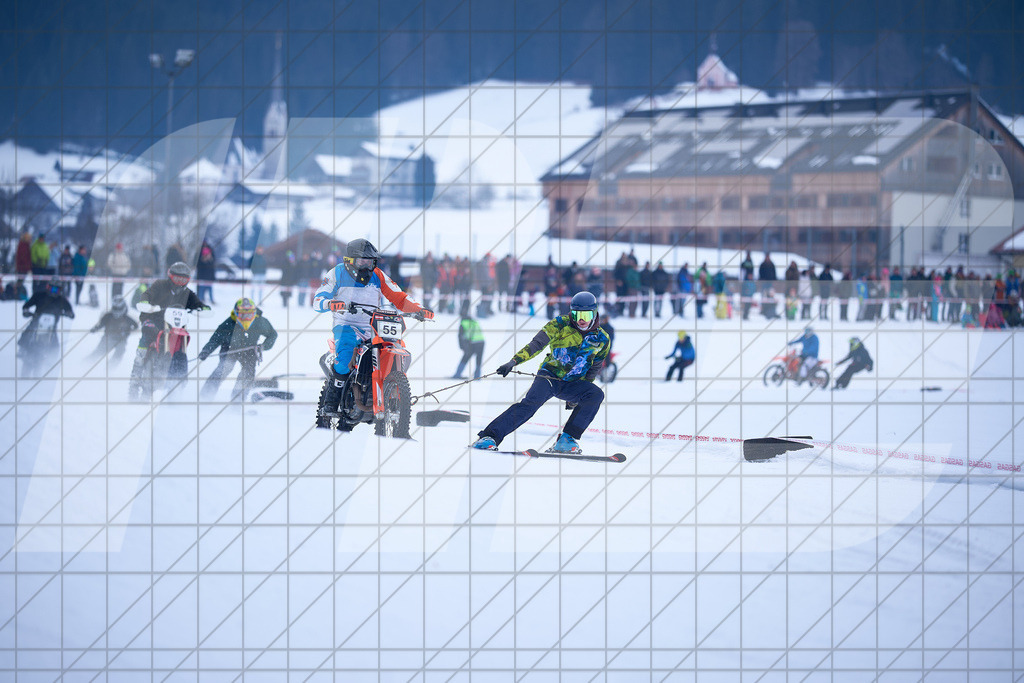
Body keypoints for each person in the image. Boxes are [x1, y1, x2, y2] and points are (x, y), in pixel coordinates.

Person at [471, 291, 610, 454]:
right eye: (576, 313)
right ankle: (489, 437)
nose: (581, 319)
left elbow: (594, 367)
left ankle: (567, 440)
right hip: (549, 376)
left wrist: (581, 393)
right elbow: (537, 343)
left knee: (595, 395)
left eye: (586, 315)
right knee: (529, 405)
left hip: (573, 383)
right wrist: (514, 361)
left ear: (594, 313)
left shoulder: (602, 339)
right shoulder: (560, 324)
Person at [313, 239, 433, 413]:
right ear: (350, 260)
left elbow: (399, 296)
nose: (367, 264)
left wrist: (419, 309)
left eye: (370, 261)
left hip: (374, 325)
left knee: (396, 351)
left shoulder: (378, 275)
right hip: (346, 325)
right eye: (363, 260)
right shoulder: (336, 273)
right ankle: (330, 403)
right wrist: (331, 303)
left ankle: (392, 392)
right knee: (346, 357)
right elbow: (318, 299)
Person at [129, 262, 209, 387]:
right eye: (177, 278)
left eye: (183, 279)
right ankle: (137, 368)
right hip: (153, 317)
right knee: (147, 335)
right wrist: (145, 302)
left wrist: (203, 308)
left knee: (180, 342)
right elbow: (147, 294)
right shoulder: (159, 285)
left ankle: (179, 377)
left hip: (174, 324)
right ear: (170, 276)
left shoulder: (187, 293)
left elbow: (196, 303)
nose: (179, 282)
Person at [199, 298, 279, 401]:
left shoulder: (260, 322)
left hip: (249, 350)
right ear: (236, 313)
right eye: (242, 315)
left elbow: (272, 335)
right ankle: (206, 395)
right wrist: (206, 351)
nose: (246, 318)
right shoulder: (229, 323)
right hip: (229, 349)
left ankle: (237, 399)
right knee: (224, 368)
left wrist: (263, 346)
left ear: (254, 313)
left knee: (248, 373)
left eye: (249, 315)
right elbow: (215, 339)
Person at [20, 279, 75, 350]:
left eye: (56, 290)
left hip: (52, 326)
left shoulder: (62, 300)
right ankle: (22, 348)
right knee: (28, 332)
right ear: (48, 287)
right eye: (52, 289)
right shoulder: (39, 295)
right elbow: (26, 305)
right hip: (36, 321)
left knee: (55, 345)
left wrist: (69, 314)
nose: (53, 291)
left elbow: (70, 311)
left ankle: (53, 355)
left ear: (60, 290)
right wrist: (26, 311)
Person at [88, 296, 138, 363]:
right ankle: (85, 364)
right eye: (115, 308)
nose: (117, 311)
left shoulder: (128, 319)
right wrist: (95, 329)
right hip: (108, 338)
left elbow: (136, 326)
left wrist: (127, 332)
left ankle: (110, 370)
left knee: (118, 356)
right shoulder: (108, 316)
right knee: (99, 352)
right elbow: (101, 324)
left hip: (121, 340)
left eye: (119, 308)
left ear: (123, 307)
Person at [453, 299, 485, 379]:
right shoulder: (474, 321)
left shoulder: (463, 323)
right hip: (482, 342)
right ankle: (477, 376)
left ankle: (457, 374)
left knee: (465, 357)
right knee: (479, 359)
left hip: (473, 342)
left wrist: (462, 347)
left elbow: (460, 336)